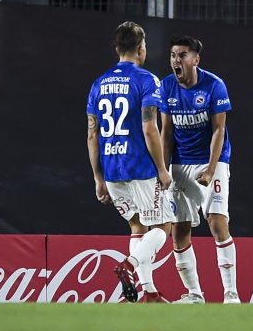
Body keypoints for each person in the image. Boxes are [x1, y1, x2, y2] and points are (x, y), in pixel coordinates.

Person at [86, 21, 174, 303]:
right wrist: (161, 168)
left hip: (112, 170)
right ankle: (130, 265)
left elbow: (92, 134)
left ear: (116, 49)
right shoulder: (148, 80)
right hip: (141, 167)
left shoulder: (98, 84)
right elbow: (150, 127)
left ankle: (147, 292)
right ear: (141, 48)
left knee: (137, 227)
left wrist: (98, 178)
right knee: (163, 227)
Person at [160, 36, 240, 304]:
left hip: (212, 161)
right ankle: (195, 295)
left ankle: (231, 295)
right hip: (181, 162)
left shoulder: (214, 85)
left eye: (182, 55)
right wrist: (162, 170)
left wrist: (210, 169)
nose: (176, 60)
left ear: (196, 59)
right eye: (173, 55)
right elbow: (166, 132)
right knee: (179, 229)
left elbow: (219, 130)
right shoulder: (167, 86)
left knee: (218, 223)